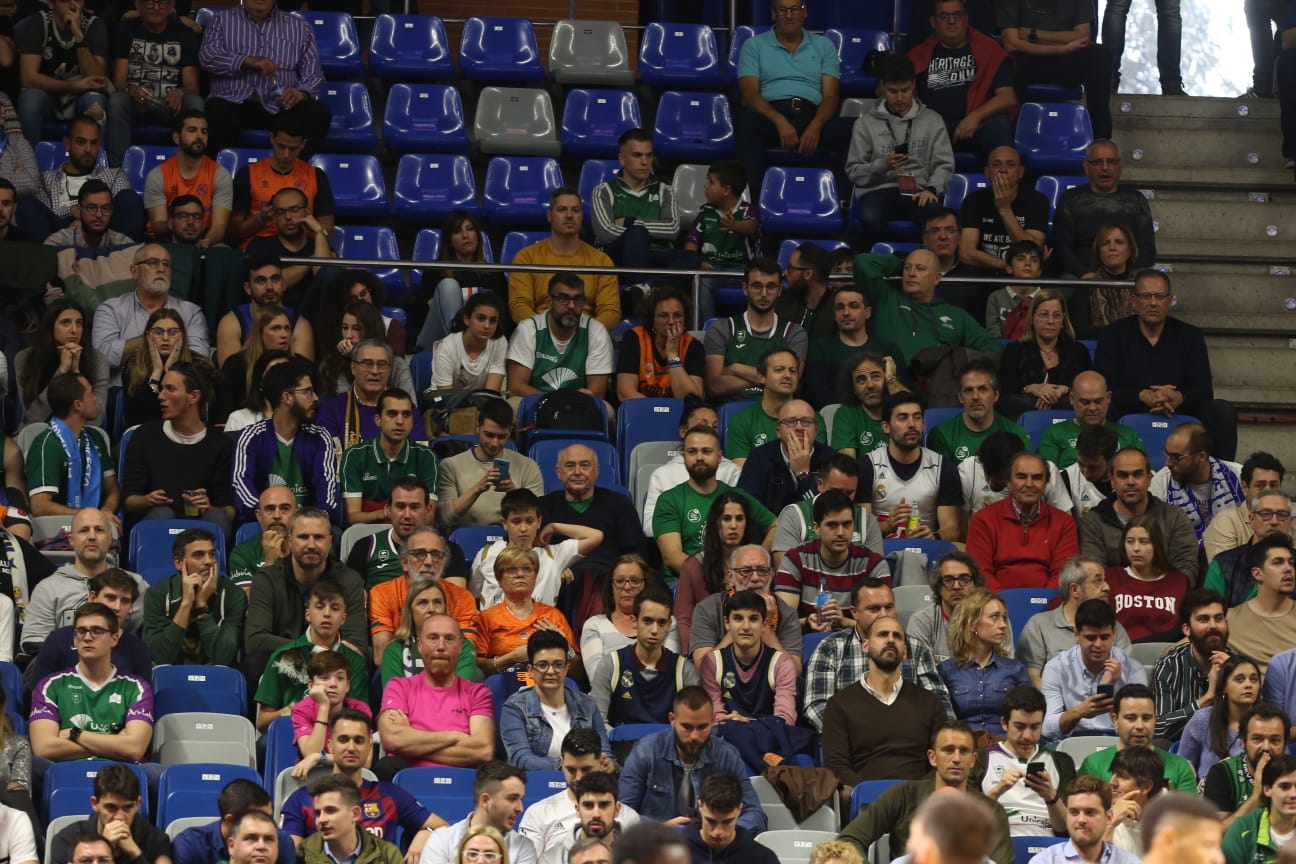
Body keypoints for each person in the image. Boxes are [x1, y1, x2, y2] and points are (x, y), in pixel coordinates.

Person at [1096, 267, 1239, 467]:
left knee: (1221, 411)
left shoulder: (1190, 336)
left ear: (1170, 300)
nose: (1153, 302)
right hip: (1129, 406)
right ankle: (1108, 474)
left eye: (1160, 296)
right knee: (1103, 408)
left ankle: (1222, 476)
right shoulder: (1113, 335)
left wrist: (1179, 397)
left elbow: (1204, 389)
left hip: (1179, 408)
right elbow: (1104, 386)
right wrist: (1141, 395)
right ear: (1133, 299)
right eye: (1146, 296)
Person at [838, 720, 1014, 864]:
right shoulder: (903, 795)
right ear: (932, 757)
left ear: (973, 760)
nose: (957, 759)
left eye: (964, 751)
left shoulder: (990, 811)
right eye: (948, 750)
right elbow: (848, 840)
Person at [282, 708, 446, 855]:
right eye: (343, 739)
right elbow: (291, 852)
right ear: (330, 746)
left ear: (369, 747)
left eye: (359, 741)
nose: (351, 748)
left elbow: (446, 830)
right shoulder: (302, 799)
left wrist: (428, 833)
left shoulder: (391, 795)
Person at [803, 577, 955, 730]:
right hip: (851, 744)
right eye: (874, 609)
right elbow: (816, 705)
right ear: (854, 612)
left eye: (889, 607)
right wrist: (860, 735)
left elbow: (939, 700)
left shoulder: (916, 648)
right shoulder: (830, 648)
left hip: (910, 741)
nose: (884, 615)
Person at [732, 0, 846, 201]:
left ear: (805, 12)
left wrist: (816, 126)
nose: (790, 15)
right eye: (783, 10)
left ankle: (840, 200)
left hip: (812, 116)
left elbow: (831, 97)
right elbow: (749, 96)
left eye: (795, 9)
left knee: (857, 129)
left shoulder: (824, 46)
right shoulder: (754, 45)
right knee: (746, 123)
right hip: (770, 117)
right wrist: (780, 121)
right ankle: (752, 204)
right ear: (773, 14)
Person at [30, 603, 155, 785]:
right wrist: (113, 742)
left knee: (157, 774)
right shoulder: (51, 685)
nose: (87, 637)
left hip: (121, 770)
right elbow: (43, 748)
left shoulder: (136, 687)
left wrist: (75, 734)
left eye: (97, 631)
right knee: (33, 765)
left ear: (114, 638)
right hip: (66, 767)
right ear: (74, 639)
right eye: (81, 631)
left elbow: (134, 748)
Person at [243, 507, 368, 681]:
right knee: (254, 662)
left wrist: (319, 655)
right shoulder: (267, 579)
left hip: (333, 671)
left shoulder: (349, 580)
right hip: (284, 666)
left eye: (318, 537)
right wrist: (316, 649)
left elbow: (357, 646)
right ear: (290, 540)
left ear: (330, 541)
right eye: (303, 537)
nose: (311, 545)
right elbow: (255, 641)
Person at [822, 615, 950, 784]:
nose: (890, 640)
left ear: (904, 652)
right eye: (882, 634)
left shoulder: (930, 703)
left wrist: (913, 793)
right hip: (866, 801)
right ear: (865, 646)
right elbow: (836, 766)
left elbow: (942, 760)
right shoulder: (839, 704)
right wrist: (870, 792)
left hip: (919, 800)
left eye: (897, 636)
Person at [617, 686, 766, 832]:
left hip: (711, 849)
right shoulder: (645, 752)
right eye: (687, 727)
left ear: (713, 721)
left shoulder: (727, 756)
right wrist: (660, 829)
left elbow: (755, 815)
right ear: (672, 719)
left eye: (702, 727)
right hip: (657, 846)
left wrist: (719, 830)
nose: (695, 736)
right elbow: (620, 813)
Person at [198, 0, 330, 156]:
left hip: (281, 106)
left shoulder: (300, 26)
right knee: (216, 112)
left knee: (317, 112)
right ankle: (220, 175)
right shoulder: (221, 20)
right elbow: (207, 57)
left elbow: (313, 74)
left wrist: (301, 93)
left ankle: (296, 174)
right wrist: (248, 61)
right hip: (233, 101)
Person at [698, 590, 811, 772]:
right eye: (738, 618)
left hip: (771, 739)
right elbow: (717, 718)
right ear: (727, 623)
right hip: (729, 738)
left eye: (753, 619)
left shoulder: (781, 663)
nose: (746, 627)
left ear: (764, 624)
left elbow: (785, 719)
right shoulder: (712, 663)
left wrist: (746, 723)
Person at [844, 54, 954, 239]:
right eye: (893, 91)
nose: (900, 98)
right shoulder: (865, 124)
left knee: (938, 220)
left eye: (905, 90)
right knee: (869, 217)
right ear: (882, 88)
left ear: (913, 85)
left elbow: (944, 164)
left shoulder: (933, 120)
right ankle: (883, 260)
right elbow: (854, 172)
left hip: (919, 191)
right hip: (878, 191)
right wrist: (883, 164)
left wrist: (932, 189)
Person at [121, 361, 234, 538]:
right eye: (162, 388)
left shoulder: (220, 444)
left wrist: (207, 506)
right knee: (162, 513)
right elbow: (129, 500)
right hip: (156, 520)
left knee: (216, 517)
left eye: (170, 389)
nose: (161, 396)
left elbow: (229, 511)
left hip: (200, 527)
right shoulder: (145, 436)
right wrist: (147, 500)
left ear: (194, 397)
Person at [377, 613, 495, 774]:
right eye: (433, 638)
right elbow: (392, 739)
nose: (441, 646)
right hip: (407, 781)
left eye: (449, 639)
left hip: (461, 783)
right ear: (419, 645)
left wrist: (411, 743)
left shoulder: (477, 693)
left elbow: (483, 750)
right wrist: (455, 736)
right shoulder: (399, 687)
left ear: (460, 647)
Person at [539, 444, 646, 617]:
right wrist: (553, 567)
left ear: (596, 471)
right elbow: (524, 548)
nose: (577, 472)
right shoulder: (543, 507)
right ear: (558, 472)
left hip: (611, 576)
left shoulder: (619, 504)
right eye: (570, 466)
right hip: (560, 580)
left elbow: (636, 551)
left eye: (585, 465)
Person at [652, 426, 774, 577]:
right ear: (683, 457)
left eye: (706, 451)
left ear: (719, 456)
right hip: (686, 581)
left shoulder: (736, 496)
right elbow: (672, 556)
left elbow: (775, 525)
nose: (699, 457)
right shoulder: (669, 500)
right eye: (692, 452)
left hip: (737, 580)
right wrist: (716, 576)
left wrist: (756, 559)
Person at [231, 359, 340, 525]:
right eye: (308, 392)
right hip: (262, 524)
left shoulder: (320, 436)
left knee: (334, 536)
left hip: (308, 524)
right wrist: (270, 517)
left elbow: (327, 489)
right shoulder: (250, 437)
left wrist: (312, 520)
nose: (315, 398)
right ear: (287, 398)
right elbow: (240, 485)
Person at [20, 509, 144, 654]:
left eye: (99, 530)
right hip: (63, 671)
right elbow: (33, 644)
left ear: (110, 539)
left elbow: (152, 639)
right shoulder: (48, 588)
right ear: (71, 539)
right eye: (84, 530)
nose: (92, 536)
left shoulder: (135, 583)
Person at [252, 579, 368, 732]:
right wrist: (289, 710)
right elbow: (262, 723)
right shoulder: (284, 656)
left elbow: (358, 719)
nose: (327, 614)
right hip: (289, 734)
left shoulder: (354, 661)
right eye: (319, 607)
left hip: (336, 737)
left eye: (335, 608)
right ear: (308, 614)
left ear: (343, 619)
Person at [853, 249, 1002, 366]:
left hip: (935, 389)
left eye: (920, 269)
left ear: (936, 278)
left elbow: (994, 347)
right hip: (888, 384)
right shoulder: (886, 298)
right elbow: (862, 262)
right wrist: (900, 264)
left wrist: (960, 362)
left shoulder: (955, 315)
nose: (911, 274)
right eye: (907, 268)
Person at [590, 128, 697, 291]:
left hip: (657, 257)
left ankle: (644, 289)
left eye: (649, 155)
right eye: (637, 155)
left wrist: (629, 221)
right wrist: (638, 231)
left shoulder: (665, 190)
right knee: (637, 234)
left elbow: (672, 229)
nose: (645, 162)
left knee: (693, 258)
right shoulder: (603, 191)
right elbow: (605, 233)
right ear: (622, 159)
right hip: (620, 259)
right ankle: (641, 289)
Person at [908, 3, 1017, 162]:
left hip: (977, 126)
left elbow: (1007, 97)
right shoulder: (917, 55)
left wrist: (975, 117)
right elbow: (897, 94)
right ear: (933, 22)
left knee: (998, 125)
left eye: (957, 15)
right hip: (934, 128)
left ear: (966, 19)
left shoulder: (989, 49)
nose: (952, 21)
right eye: (944, 16)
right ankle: (920, 186)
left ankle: (1004, 185)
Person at [994, 2, 1112, 139]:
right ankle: (1007, 142)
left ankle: (1101, 140)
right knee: (1008, 62)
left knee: (1100, 55)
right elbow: (1011, 43)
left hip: (1065, 58)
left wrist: (1033, 34)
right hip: (1027, 59)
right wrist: (1063, 46)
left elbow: (1082, 36)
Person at [965, 449, 1079, 592]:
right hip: (996, 604)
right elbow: (980, 572)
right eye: (1021, 477)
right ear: (1009, 482)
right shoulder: (983, 520)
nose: (1029, 484)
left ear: (1046, 483)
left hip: (1049, 606)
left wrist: (1045, 603)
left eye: (1037, 478)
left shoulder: (1064, 523)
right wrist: (1002, 603)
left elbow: (1064, 574)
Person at [774, 490, 889, 631]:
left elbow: (884, 625)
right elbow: (781, 622)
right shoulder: (796, 559)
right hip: (807, 642)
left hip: (857, 645)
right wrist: (808, 621)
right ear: (816, 528)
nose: (841, 532)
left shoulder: (873, 564)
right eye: (832, 525)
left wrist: (844, 622)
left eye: (847, 524)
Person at [1080, 448, 1199, 583]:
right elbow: (1094, 573)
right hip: (1112, 599)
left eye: (1137, 474)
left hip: (1164, 599)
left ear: (1149, 478)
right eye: (1122, 475)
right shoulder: (1093, 521)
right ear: (1112, 480)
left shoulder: (1174, 517)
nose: (1130, 482)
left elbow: (1186, 569)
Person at [92, 243, 208, 381]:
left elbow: (199, 360)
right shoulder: (111, 309)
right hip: (122, 395)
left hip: (176, 395)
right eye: (153, 263)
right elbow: (100, 358)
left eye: (166, 264)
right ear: (134, 271)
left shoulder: (191, 312)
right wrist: (157, 340)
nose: (161, 269)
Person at [24, 567, 148, 697]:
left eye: (125, 601)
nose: (117, 607)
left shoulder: (138, 649)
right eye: (110, 598)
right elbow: (39, 698)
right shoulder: (58, 640)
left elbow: (142, 701)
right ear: (93, 597)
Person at [508, 189, 620, 331]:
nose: (569, 215)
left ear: (581, 216)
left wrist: (585, 334)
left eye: (575, 210)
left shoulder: (602, 261)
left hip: (586, 336)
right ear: (549, 215)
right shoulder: (526, 258)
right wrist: (546, 332)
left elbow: (610, 311)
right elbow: (519, 306)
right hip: (539, 335)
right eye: (561, 210)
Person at [500, 630, 613, 771]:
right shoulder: (515, 707)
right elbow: (521, 758)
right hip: (534, 784)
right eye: (542, 665)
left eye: (558, 664)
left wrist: (608, 765)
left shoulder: (587, 704)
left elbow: (605, 752)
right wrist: (568, 766)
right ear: (531, 670)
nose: (551, 671)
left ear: (566, 669)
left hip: (584, 782)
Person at [858, 391, 964, 541]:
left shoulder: (944, 468)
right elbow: (861, 531)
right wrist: (888, 525)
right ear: (886, 427)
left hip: (926, 552)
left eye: (917, 417)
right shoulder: (867, 466)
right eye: (903, 418)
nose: (912, 424)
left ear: (924, 424)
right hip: (881, 553)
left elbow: (952, 531)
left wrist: (934, 537)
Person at [109, 7, 203, 170]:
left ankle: (193, 170)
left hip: (169, 106)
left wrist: (179, 93)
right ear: (139, 4)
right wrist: (131, 90)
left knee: (194, 102)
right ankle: (118, 171)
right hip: (135, 104)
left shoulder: (184, 33)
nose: (156, 7)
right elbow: (119, 83)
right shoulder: (125, 30)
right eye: (150, 1)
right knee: (117, 100)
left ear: (171, 5)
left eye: (162, 2)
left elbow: (192, 85)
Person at [1041, 599, 1147, 741]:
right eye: (1091, 638)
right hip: (1072, 743)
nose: (1098, 644)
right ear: (1076, 635)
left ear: (1114, 634)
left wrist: (1115, 692)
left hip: (1118, 743)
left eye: (1104, 637)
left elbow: (1141, 726)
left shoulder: (1133, 669)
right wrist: (1079, 712)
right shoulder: (1056, 668)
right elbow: (1047, 729)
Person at [702, 261, 808, 404]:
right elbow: (714, 387)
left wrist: (735, 368)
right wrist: (774, 378)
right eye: (757, 286)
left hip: (778, 414)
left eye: (771, 286)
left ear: (780, 291)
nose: (764, 294)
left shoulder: (794, 333)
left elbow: (791, 382)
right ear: (745, 288)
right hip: (728, 414)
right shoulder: (721, 328)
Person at [226, 112, 335, 250]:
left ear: (303, 144)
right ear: (272, 138)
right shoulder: (248, 174)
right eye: (281, 147)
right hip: (261, 245)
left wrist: (302, 227)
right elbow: (233, 233)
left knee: (329, 262)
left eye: (293, 149)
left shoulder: (315, 175)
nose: (286, 155)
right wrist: (260, 219)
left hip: (302, 246)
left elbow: (328, 234)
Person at [517, 728, 639, 851]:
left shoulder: (628, 817)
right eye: (571, 770)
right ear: (562, 762)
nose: (579, 777)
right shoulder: (538, 813)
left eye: (586, 769)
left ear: (602, 762)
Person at [507, 272, 613, 408]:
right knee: (513, 405)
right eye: (564, 299)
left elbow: (596, 393)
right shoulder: (528, 328)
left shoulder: (596, 331)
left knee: (607, 410)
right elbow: (516, 387)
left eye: (578, 299)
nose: (571, 306)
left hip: (578, 405)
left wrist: (568, 403)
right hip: (536, 402)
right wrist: (555, 402)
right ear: (548, 302)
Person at [141, 528, 244, 666]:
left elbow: (223, 657)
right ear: (178, 562)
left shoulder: (232, 594)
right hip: (172, 672)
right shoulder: (158, 594)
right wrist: (186, 603)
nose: (209, 561)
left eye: (212, 554)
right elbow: (161, 656)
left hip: (215, 674)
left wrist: (201, 605)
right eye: (198, 555)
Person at [471, 546, 579, 679]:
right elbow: (477, 671)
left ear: (535, 577)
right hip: (503, 688)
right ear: (499, 580)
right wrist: (510, 658)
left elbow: (578, 673)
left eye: (527, 569)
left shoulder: (553, 615)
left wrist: (565, 646)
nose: (520, 574)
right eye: (512, 570)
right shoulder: (486, 618)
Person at [31, 116, 143, 242]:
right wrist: (72, 211)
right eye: (81, 142)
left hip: (104, 239)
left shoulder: (115, 176)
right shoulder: (46, 180)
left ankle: (124, 256)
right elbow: (45, 216)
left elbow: (119, 212)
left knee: (129, 199)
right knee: (27, 205)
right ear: (67, 143)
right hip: (59, 237)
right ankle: (46, 258)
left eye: (94, 143)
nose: (88, 149)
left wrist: (83, 216)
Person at [689, 545, 802, 670]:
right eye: (746, 571)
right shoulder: (707, 608)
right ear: (731, 577)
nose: (755, 578)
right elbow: (703, 667)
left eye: (762, 570)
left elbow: (794, 670)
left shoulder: (786, 612)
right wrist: (742, 622)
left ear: (771, 575)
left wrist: (765, 624)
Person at [438, 399, 545, 530]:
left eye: (502, 436)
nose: (494, 443)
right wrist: (477, 489)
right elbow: (444, 519)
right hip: (467, 541)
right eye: (489, 435)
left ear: (510, 431)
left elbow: (537, 519)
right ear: (477, 426)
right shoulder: (451, 466)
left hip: (513, 543)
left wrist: (514, 493)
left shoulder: (528, 466)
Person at [982, 685, 1074, 837]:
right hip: (999, 845)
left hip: (1048, 848)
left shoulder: (1061, 762)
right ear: (1004, 723)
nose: (1027, 736)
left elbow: (1066, 830)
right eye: (1019, 726)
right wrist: (997, 791)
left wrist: (1050, 796)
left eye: (1035, 727)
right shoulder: (981, 759)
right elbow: (967, 823)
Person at [15, 1, 109, 147]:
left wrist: (78, 34)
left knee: (95, 103)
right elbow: (28, 78)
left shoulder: (94, 25)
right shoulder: (39, 22)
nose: (72, 4)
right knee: (30, 101)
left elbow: (96, 77)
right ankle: (29, 164)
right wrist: (73, 86)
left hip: (80, 98)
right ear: (51, 4)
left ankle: (95, 166)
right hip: (47, 95)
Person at [25, 372, 118, 519]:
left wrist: (106, 511)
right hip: (58, 534)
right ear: (78, 405)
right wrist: (91, 516)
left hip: (98, 527)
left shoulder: (96, 438)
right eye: (90, 394)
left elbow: (113, 490)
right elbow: (39, 506)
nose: (95, 398)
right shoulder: (47, 445)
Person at [641, 401, 741, 534]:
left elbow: (741, 520)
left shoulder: (732, 471)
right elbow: (649, 527)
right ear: (683, 431)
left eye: (715, 426)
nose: (710, 430)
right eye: (702, 425)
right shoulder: (662, 474)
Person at [937, 589, 1029, 734]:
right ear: (971, 624)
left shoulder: (1015, 669)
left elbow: (1028, 716)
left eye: (1004, 618)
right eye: (994, 617)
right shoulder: (946, 671)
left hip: (1005, 747)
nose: (1003, 624)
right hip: (963, 748)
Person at [1075, 683, 1198, 792]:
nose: (1139, 726)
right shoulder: (1093, 765)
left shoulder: (1180, 767)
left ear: (1156, 719)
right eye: (1130, 718)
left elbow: (1189, 817)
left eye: (1146, 718)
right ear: (1115, 720)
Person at [340, 395, 439, 528]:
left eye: (406, 415)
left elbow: (428, 518)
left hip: (412, 533)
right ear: (378, 420)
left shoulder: (427, 457)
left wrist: (379, 511)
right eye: (392, 414)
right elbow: (352, 517)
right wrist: (386, 513)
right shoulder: (354, 455)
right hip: (367, 532)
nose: (399, 421)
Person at [682, 159, 759, 328]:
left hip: (742, 270)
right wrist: (697, 261)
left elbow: (750, 227)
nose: (705, 186)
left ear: (726, 190)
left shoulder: (748, 211)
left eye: (710, 181)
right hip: (713, 269)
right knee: (701, 281)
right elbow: (691, 245)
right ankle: (706, 331)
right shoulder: (705, 212)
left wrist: (734, 225)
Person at [771, 454, 884, 569]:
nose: (842, 498)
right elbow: (785, 571)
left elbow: (875, 572)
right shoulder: (794, 515)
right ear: (820, 484)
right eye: (836, 491)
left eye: (849, 493)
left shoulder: (866, 521)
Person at [415, 210, 507, 351]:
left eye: (470, 229)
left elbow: (502, 317)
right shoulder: (436, 270)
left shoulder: (494, 274)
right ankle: (459, 348)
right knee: (448, 285)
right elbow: (420, 315)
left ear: (478, 236)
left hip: (482, 340)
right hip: (435, 340)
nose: (465, 235)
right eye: (457, 231)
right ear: (450, 241)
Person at [1150, 588, 1233, 740]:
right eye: (1203, 619)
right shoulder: (1169, 666)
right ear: (1187, 629)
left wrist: (1233, 679)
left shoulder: (1238, 666)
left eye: (1219, 618)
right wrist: (1208, 698)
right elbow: (1158, 728)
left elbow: (1256, 722)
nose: (1213, 625)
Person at [802, 285, 902, 411]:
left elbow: (903, 396)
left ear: (867, 312)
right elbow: (817, 395)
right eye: (840, 307)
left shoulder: (888, 348)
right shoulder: (819, 347)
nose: (846, 313)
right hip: (835, 419)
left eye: (854, 306)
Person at [998, 290, 1094, 417]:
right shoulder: (1015, 351)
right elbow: (1005, 393)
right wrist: (1032, 389)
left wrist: (1066, 390)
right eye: (1044, 314)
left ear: (1063, 320)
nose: (1050, 321)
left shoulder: (1078, 351)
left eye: (1057, 315)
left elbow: (1090, 391)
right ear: (1032, 318)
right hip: (1026, 411)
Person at [47, 765, 171, 864]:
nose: (119, 817)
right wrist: (104, 848)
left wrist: (136, 855)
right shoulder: (67, 839)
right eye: (111, 807)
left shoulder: (157, 841)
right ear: (95, 804)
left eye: (128, 807)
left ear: (138, 804)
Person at [418, 762, 537, 864]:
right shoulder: (442, 840)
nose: (520, 808)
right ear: (486, 800)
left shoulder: (523, 847)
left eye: (521, 799)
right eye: (512, 798)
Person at [15, 298, 108, 428]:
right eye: (65, 323)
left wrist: (76, 373)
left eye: (79, 323)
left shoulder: (97, 359)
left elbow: (96, 417)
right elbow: (32, 417)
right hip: (37, 432)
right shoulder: (25, 359)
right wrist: (62, 370)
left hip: (82, 433)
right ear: (50, 326)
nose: (74, 330)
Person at [141, 110, 229, 247]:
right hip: (167, 239)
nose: (200, 136)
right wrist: (180, 228)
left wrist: (206, 241)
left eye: (204, 132)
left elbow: (219, 227)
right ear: (176, 137)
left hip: (204, 239)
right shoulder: (158, 175)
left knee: (222, 251)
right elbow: (158, 224)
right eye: (192, 130)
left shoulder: (220, 175)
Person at [721, 347, 822, 465]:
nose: (788, 375)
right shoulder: (742, 421)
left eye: (793, 371)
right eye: (779, 370)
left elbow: (816, 467)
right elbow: (744, 473)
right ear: (761, 377)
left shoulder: (812, 419)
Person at [119, 307, 215, 430]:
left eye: (172, 332)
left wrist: (172, 371)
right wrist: (156, 374)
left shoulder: (198, 365)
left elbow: (194, 413)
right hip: (146, 435)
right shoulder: (134, 365)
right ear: (148, 336)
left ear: (182, 336)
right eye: (158, 332)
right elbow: (136, 419)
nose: (165, 337)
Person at [1150, 423, 1245, 547]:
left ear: (1201, 456)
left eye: (1176, 457)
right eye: (1167, 454)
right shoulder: (1161, 482)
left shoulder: (1238, 475)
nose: (1168, 463)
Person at [317, 340, 420, 453]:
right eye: (367, 363)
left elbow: (420, 458)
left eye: (382, 364)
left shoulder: (406, 411)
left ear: (389, 370)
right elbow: (326, 461)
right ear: (353, 368)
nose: (375, 371)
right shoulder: (332, 410)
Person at [245, 187, 338, 314]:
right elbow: (272, 283)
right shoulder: (260, 245)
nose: (288, 217)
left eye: (294, 210)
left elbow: (324, 276)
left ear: (307, 213)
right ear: (274, 218)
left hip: (315, 316)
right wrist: (310, 261)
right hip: (273, 315)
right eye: (280, 212)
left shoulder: (318, 246)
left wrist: (319, 232)